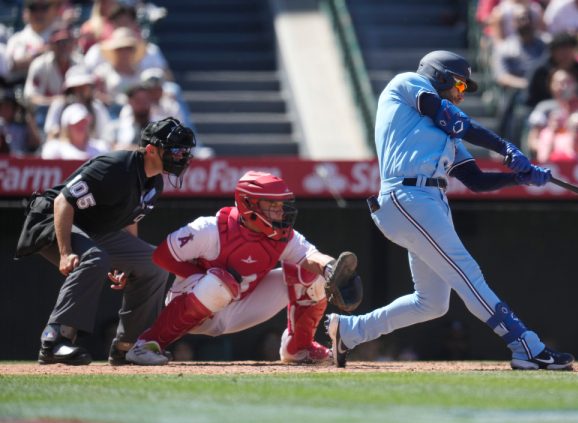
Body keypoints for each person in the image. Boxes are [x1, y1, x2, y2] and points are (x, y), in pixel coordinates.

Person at [325, 50, 574, 371]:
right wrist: (506, 147)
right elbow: (453, 118)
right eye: (457, 86)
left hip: (429, 201)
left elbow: (476, 180)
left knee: (431, 302)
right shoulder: (408, 84)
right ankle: (526, 345)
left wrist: (520, 178)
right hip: (408, 193)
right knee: (468, 274)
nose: (459, 94)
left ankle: (349, 331)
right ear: (438, 75)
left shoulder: (444, 133)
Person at [125, 171, 359, 365]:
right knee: (220, 282)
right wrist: (199, 275)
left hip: (239, 304)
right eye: (272, 204)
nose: (280, 210)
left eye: (281, 204)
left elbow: (311, 256)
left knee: (314, 276)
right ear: (249, 204)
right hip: (196, 302)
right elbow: (162, 255)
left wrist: (331, 268)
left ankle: (298, 348)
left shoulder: (281, 234)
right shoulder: (210, 229)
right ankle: (147, 344)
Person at [14, 117, 196, 365]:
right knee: (94, 259)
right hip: (52, 221)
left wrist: (128, 266)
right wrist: (66, 251)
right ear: (152, 150)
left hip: (95, 228)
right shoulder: (116, 166)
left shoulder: (155, 182)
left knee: (154, 263)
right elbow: (62, 202)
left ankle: (129, 346)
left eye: (183, 150)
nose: (181, 155)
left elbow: (128, 218)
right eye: (175, 149)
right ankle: (55, 340)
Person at [40, 103, 109, 159]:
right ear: (67, 127)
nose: (82, 125)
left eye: (84, 122)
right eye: (77, 123)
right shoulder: (53, 148)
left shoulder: (101, 147)